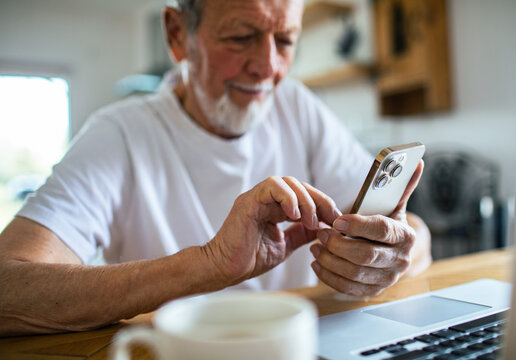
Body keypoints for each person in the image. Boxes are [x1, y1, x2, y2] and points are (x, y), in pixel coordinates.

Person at [0, 0, 431, 336]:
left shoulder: (297, 107)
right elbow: (8, 287)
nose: (268, 67)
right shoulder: (120, 133)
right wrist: (209, 265)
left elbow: (415, 235)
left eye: (285, 40)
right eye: (242, 37)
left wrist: (389, 253)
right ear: (177, 35)